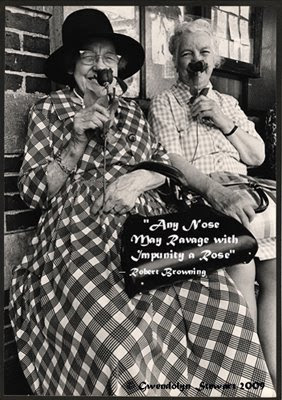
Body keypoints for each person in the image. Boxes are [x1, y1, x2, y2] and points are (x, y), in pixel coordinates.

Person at [9, 9, 275, 396]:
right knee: (119, 337)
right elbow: (35, 194)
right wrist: (76, 143)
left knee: (222, 311)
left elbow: (166, 163)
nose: (100, 66)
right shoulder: (49, 109)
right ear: (71, 66)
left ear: (118, 67)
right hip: (80, 226)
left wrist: (142, 177)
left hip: (148, 223)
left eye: (108, 57)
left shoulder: (133, 112)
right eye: (88, 56)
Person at [148, 18, 276, 387]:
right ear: (175, 61)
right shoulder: (165, 102)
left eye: (204, 52)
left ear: (214, 60)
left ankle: (274, 376)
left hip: (247, 186)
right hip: (203, 195)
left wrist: (224, 121)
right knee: (245, 258)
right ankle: (252, 382)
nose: (196, 60)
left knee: (276, 275)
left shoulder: (229, 104)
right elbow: (171, 160)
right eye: (187, 53)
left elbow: (256, 155)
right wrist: (213, 191)